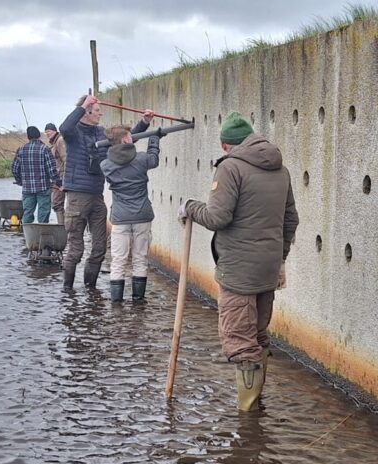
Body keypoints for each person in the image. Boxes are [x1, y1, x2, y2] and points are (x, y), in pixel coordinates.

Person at [179, 112, 299, 411]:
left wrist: (190, 207)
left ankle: (247, 418)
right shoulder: (280, 169)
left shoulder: (230, 169)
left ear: (224, 145)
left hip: (238, 271)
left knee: (239, 339)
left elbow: (218, 217)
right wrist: (280, 258)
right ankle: (258, 410)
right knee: (258, 335)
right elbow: (291, 220)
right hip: (269, 267)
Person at [58, 94, 151, 289]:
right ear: (87, 113)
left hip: (97, 196)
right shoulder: (73, 133)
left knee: (99, 248)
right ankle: (67, 292)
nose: (101, 114)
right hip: (77, 197)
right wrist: (83, 106)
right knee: (76, 249)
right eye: (97, 111)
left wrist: (144, 123)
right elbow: (64, 128)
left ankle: (90, 290)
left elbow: (125, 137)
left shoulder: (101, 133)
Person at [100, 119, 159, 302]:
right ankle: (138, 302)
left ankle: (116, 305)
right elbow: (154, 159)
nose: (132, 138)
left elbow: (116, 156)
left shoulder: (106, 165)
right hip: (142, 215)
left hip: (120, 217)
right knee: (140, 258)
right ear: (125, 140)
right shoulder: (141, 159)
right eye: (130, 136)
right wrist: (154, 139)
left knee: (118, 260)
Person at [11, 125, 61, 225]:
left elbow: (15, 169)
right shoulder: (44, 149)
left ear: (28, 137)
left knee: (27, 213)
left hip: (27, 189)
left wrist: (20, 181)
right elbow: (52, 170)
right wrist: (58, 183)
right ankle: (42, 234)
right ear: (39, 136)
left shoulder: (21, 149)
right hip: (43, 188)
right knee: (43, 214)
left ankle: (27, 236)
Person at [43, 123, 67, 225]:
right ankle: (64, 227)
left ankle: (62, 228)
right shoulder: (54, 142)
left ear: (55, 131)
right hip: (57, 179)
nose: (47, 133)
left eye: (49, 131)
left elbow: (66, 160)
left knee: (57, 204)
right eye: (46, 132)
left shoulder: (60, 141)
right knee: (57, 204)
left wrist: (63, 182)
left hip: (61, 178)